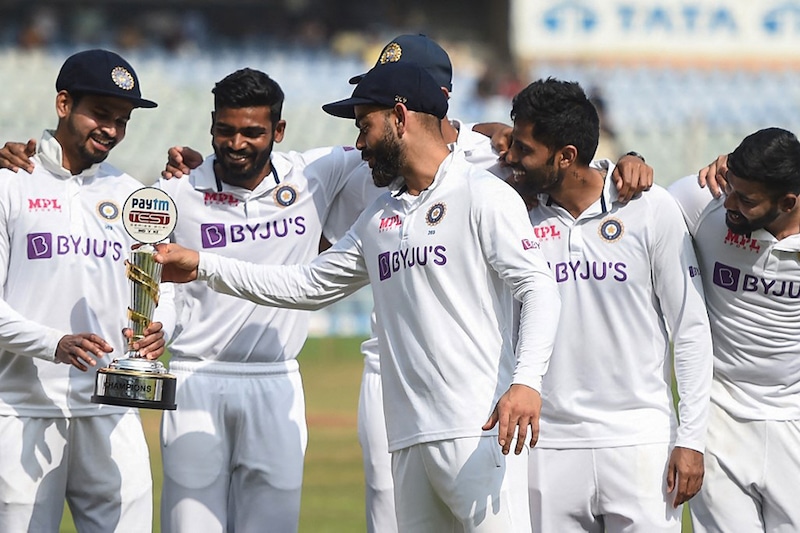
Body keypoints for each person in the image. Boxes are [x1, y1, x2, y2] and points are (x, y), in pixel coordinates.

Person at [154, 61, 562, 532]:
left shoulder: (481, 194)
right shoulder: (378, 217)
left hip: (479, 430)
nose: (360, 143)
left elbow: (537, 287)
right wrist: (202, 264)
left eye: (365, 126)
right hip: (408, 435)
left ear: (400, 117)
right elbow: (304, 285)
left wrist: (527, 381)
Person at [503, 77, 713, 532]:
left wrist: (692, 438)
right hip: (547, 445)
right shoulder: (512, 210)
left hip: (639, 442)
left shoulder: (649, 208)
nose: (511, 158)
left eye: (523, 148)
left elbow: (691, 328)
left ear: (566, 156)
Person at [0, 49, 167, 532]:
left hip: (111, 407)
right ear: (63, 103)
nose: (111, 130)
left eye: (122, 119)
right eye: (100, 113)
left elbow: (162, 287)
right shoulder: (11, 183)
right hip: (22, 410)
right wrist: (54, 343)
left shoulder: (134, 196)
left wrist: (160, 330)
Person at [669, 128, 800, 533]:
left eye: (747, 199)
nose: (730, 203)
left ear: (789, 201)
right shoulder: (704, 200)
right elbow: (634, 206)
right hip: (718, 421)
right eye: (732, 190)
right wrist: (632, 160)